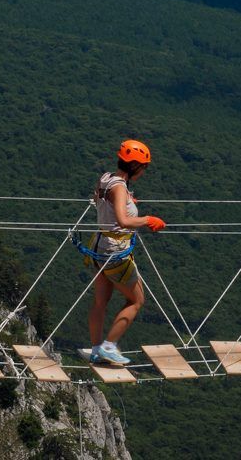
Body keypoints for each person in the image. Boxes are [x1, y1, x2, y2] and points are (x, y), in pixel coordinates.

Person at [87, 139, 166, 366]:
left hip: (98, 247)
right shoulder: (120, 188)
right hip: (115, 251)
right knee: (136, 300)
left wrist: (127, 201)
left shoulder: (106, 178)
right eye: (143, 167)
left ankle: (96, 349)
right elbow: (123, 220)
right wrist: (148, 220)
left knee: (100, 301)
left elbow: (102, 200)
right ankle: (109, 346)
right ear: (134, 166)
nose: (143, 171)